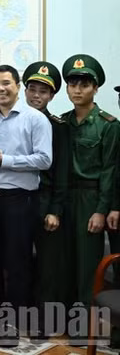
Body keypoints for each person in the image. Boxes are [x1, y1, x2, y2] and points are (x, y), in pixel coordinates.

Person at [0, 65, 52, 343]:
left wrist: (5, 160)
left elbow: (44, 159)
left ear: (18, 86)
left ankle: (15, 322)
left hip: (21, 200)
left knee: (18, 262)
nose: (0, 89)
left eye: (6, 83)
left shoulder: (35, 119)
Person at [60, 55, 119, 306]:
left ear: (95, 88)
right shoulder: (62, 122)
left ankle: (84, 325)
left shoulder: (108, 125)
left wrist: (101, 210)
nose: (77, 90)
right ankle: (65, 317)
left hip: (90, 199)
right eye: (73, 84)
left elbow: (110, 171)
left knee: (87, 264)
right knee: (64, 262)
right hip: (64, 199)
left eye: (84, 84)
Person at [22, 61, 73, 331]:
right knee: (20, 261)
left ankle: (46, 321)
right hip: (18, 202)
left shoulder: (58, 126)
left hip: (45, 201)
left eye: (43, 91)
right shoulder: (13, 121)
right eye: (32, 89)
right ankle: (21, 315)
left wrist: (55, 209)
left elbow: (62, 172)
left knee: (48, 264)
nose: (36, 96)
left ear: (52, 95)